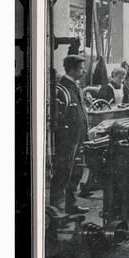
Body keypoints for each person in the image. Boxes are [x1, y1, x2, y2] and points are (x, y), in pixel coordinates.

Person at [50, 55, 89, 214]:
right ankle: (56, 208)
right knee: (63, 171)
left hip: (78, 136)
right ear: (72, 69)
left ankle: (70, 204)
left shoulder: (75, 86)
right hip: (66, 140)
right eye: (81, 68)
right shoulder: (61, 88)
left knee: (76, 171)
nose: (84, 70)